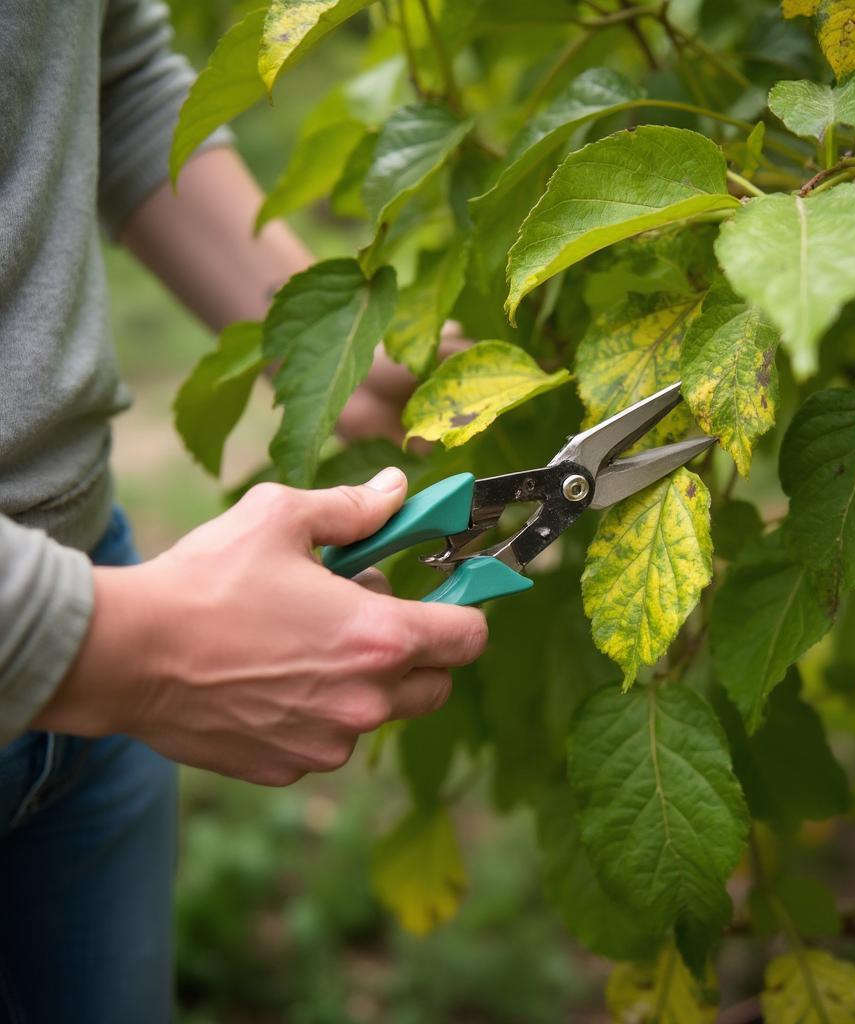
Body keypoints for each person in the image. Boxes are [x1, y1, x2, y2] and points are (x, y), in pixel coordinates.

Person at [0, 2, 488, 1021]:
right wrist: (143, 653)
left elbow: (104, 68)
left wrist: (332, 353)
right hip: (108, 644)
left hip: (101, 629)